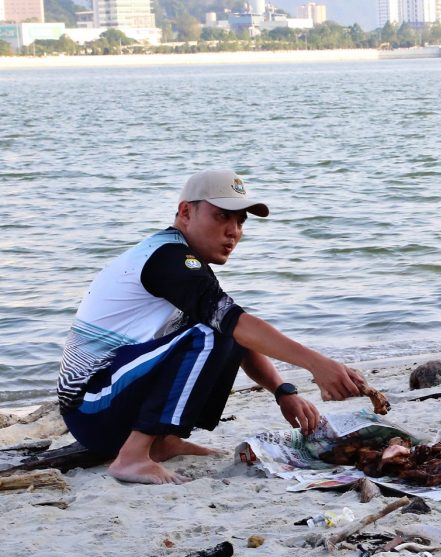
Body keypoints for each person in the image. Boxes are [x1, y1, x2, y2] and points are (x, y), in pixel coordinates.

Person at [57, 170, 366, 485]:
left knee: (222, 327)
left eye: (241, 222)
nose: (233, 231)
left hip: (107, 409)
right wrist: (316, 364)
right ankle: (133, 456)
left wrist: (283, 391)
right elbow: (233, 325)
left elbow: (238, 332)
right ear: (185, 212)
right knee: (212, 333)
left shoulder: (186, 261)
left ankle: (161, 442)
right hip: (90, 408)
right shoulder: (168, 259)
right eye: (222, 217)